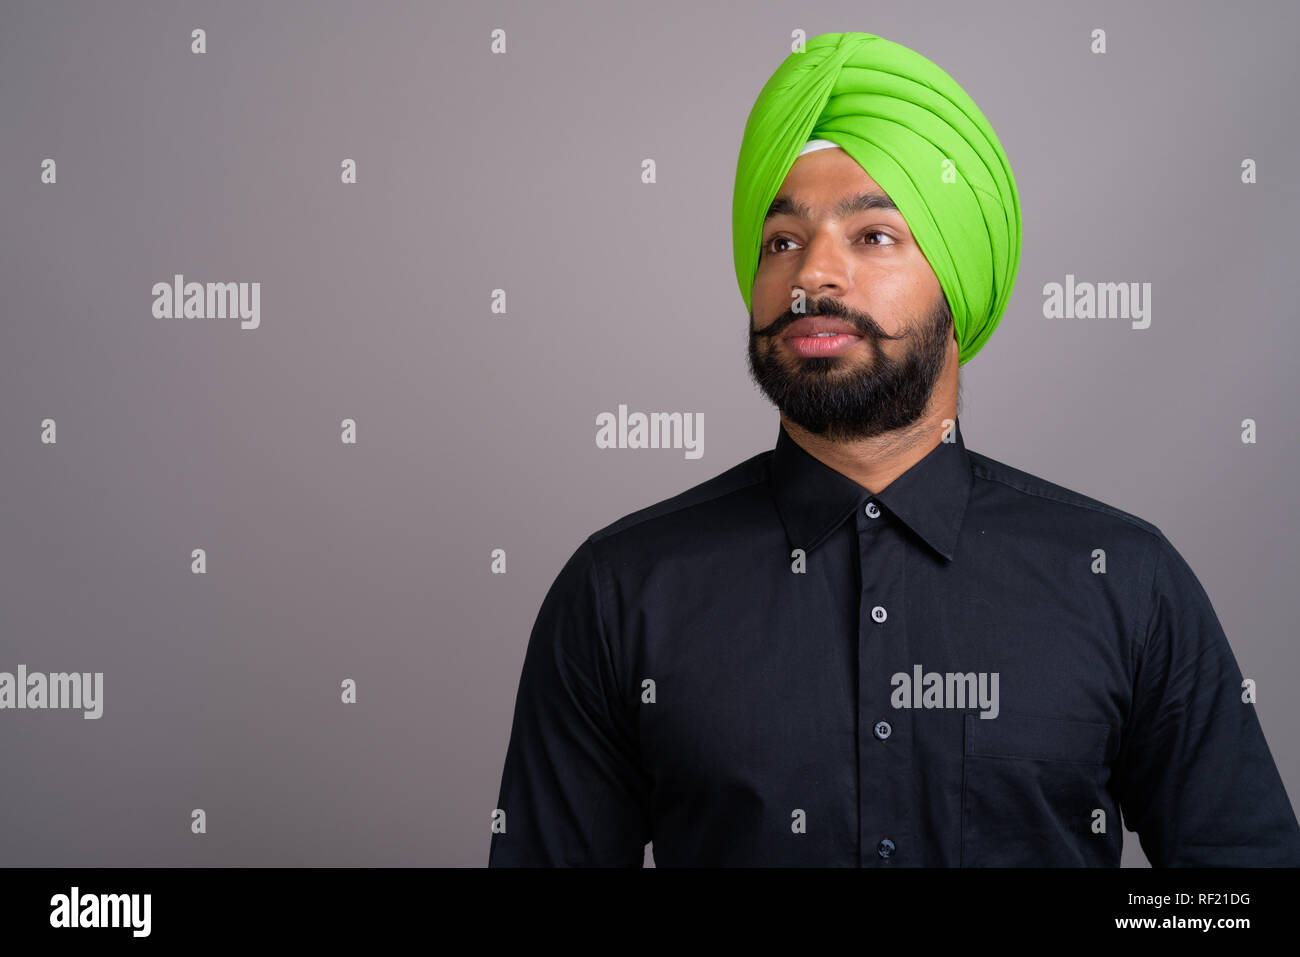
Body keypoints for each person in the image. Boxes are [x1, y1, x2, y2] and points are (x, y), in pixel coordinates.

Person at [487, 31, 1300, 866]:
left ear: (959, 280)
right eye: (781, 242)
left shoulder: (1123, 577)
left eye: (873, 235)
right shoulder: (621, 589)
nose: (814, 277)